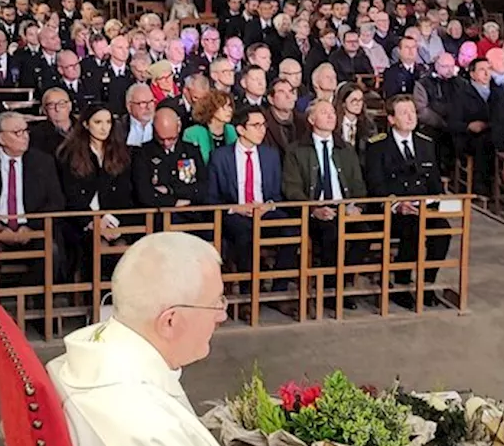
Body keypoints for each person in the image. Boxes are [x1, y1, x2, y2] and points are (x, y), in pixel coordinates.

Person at [47, 232, 232, 446]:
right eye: (216, 303)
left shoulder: (78, 357)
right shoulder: (151, 430)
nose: (222, 315)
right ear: (170, 322)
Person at [205, 107, 298, 313]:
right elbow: (211, 197)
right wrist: (236, 208)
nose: (262, 130)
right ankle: (248, 294)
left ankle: (278, 291)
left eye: (263, 125)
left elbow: (277, 193)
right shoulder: (220, 157)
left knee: (293, 232)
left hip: (265, 212)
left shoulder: (271, 155)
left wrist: (268, 205)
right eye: (256, 125)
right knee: (244, 235)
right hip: (236, 213)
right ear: (240, 129)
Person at [0, 112, 66, 288]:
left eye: (26, 131)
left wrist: (30, 226)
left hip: (32, 229)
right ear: (1, 138)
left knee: (51, 251)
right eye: (17, 132)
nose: (24, 137)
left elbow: (56, 203)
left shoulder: (43, 161)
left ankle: (37, 306)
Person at [282, 99, 368, 310]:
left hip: (344, 208)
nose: (331, 116)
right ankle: (330, 291)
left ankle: (342, 283)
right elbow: (291, 188)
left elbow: (358, 184)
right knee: (331, 234)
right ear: (311, 119)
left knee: (364, 234)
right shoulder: (296, 150)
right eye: (324, 112)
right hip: (314, 210)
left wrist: (357, 206)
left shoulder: (345, 149)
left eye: (332, 112)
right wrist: (313, 209)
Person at [364, 96, 448, 310]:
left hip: (422, 209)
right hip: (392, 212)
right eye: (404, 112)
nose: (411, 116)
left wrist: (430, 203)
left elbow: (435, 184)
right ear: (391, 119)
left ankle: (427, 284)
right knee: (411, 229)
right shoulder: (377, 146)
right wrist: (396, 205)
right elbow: (376, 184)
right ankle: (401, 284)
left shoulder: (426, 144)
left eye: (412, 111)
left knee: (443, 231)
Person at [57, 105, 134, 280]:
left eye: (108, 122)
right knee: (99, 246)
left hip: (115, 220)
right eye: (98, 122)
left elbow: (124, 193)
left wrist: (111, 220)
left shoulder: (121, 153)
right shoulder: (70, 154)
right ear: (85, 124)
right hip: (81, 221)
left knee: (122, 248)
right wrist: (94, 222)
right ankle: (94, 297)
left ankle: (117, 297)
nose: (104, 127)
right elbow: (71, 196)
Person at [133, 108, 210, 234]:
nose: (166, 143)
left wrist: (170, 190)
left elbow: (202, 188)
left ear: (179, 127)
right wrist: (174, 202)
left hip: (191, 215)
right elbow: (144, 194)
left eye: (171, 138)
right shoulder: (143, 153)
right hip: (160, 219)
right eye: (161, 139)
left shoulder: (191, 151)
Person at [183, 88, 237, 163]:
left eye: (229, 106)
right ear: (211, 108)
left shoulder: (231, 130)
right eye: (223, 107)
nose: (229, 110)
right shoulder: (192, 133)